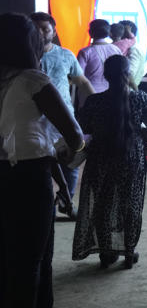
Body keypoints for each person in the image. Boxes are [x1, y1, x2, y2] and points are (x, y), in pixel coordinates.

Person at [0, 13, 85, 308]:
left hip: (7, 172)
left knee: (23, 252)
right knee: (31, 258)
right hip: (29, 175)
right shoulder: (34, 79)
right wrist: (73, 149)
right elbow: (73, 133)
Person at [72, 55, 147, 269]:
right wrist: (143, 133)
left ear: (105, 75)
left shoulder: (95, 101)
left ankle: (106, 253)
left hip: (101, 158)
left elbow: (83, 127)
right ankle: (129, 252)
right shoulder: (140, 98)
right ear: (127, 74)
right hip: (131, 158)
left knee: (103, 204)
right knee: (130, 203)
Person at [29, 12, 94, 207]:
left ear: (54, 31)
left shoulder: (65, 55)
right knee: (40, 165)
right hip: (33, 121)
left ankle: (66, 201)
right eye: (36, 29)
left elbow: (81, 81)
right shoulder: (22, 58)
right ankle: (45, 204)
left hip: (63, 118)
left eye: (45, 29)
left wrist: (97, 103)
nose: (40, 33)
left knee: (72, 161)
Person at [77, 19, 121, 100]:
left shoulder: (85, 52)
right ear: (108, 32)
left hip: (89, 94)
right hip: (112, 94)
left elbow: (79, 76)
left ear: (90, 32)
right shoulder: (116, 50)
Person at [118, 20, 147, 87]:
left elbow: (130, 73)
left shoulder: (134, 49)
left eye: (119, 30)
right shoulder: (130, 47)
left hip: (126, 91)